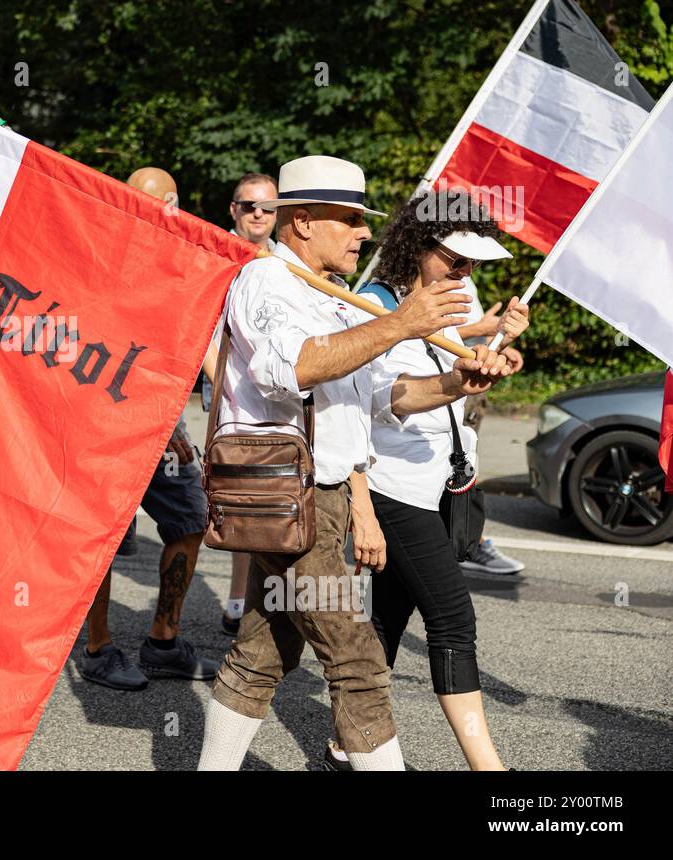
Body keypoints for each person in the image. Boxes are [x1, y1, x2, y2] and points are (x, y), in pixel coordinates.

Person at [197, 155, 510, 771]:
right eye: (349, 220)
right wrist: (398, 323)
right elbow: (295, 369)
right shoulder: (267, 282)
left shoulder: (332, 296)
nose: (365, 232)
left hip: (320, 496)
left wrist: (456, 383)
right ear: (304, 222)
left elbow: (383, 401)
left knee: (264, 654)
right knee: (359, 659)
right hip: (290, 493)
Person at [356, 194, 528, 769]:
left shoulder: (441, 306)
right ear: (417, 248)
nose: (467, 274)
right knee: (453, 618)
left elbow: (455, 378)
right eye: (456, 260)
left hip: (437, 485)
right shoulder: (376, 305)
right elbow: (390, 398)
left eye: (473, 264)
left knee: (386, 622)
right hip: (394, 486)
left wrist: (493, 353)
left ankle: (347, 741)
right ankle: (491, 771)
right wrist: (459, 381)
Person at [79, 167, 219, 690]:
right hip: (106, 425)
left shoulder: (182, 262)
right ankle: (98, 648)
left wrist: (176, 418)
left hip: (164, 421)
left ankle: (163, 640)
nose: (158, 212)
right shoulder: (102, 258)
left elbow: (179, 348)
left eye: (168, 203)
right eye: (145, 202)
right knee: (103, 538)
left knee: (190, 519)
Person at [204, 172, 278, 636]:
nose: (258, 214)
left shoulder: (285, 262)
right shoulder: (218, 258)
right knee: (238, 500)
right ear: (233, 210)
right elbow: (203, 337)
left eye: (267, 208)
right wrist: (227, 390)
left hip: (281, 396)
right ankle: (239, 602)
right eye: (248, 205)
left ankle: (260, 601)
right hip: (233, 397)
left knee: (274, 498)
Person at [450, 274, 526, 575]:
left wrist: (499, 346)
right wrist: (482, 329)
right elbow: (412, 331)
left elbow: (470, 337)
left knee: (466, 465)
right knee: (454, 467)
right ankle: (469, 542)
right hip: (444, 386)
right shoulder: (427, 268)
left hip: (470, 389)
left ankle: (466, 540)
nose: (470, 265)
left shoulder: (464, 273)